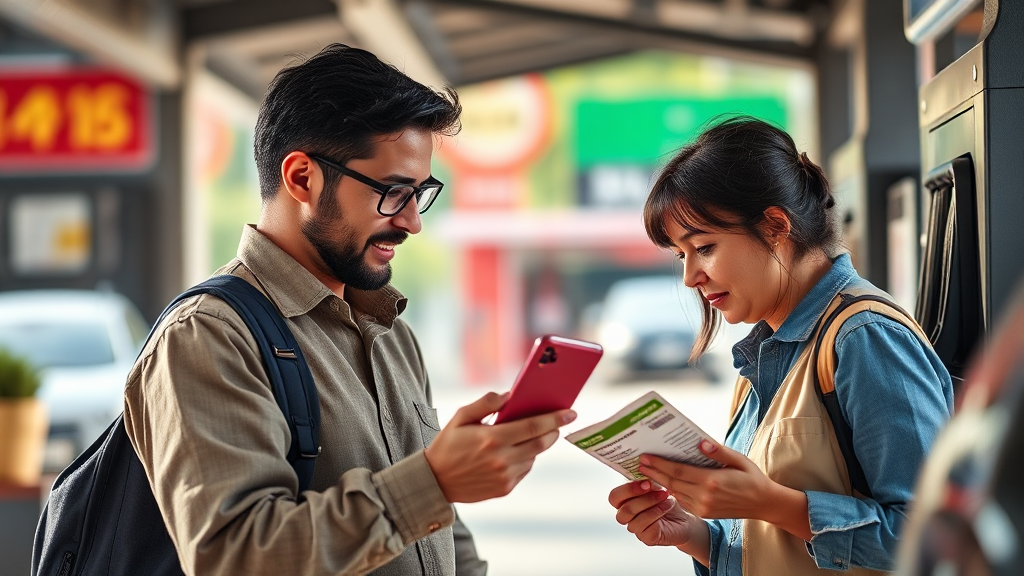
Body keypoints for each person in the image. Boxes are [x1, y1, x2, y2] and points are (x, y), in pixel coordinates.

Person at [122, 44, 576, 576]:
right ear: (302, 179)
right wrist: (432, 482)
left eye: (421, 192)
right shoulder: (209, 335)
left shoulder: (390, 333)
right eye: (392, 192)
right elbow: (233, 555)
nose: (412, 222)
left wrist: (438, 487)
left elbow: (443, 533)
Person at [607, 116, 953, 575]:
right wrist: (693, 535)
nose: (690, 276)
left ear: (774, 226)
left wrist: (774, 504)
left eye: (704, 247)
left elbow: (933, 541)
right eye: (681, 256)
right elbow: (775, 552)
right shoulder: (762, 357)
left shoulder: (864, 337)